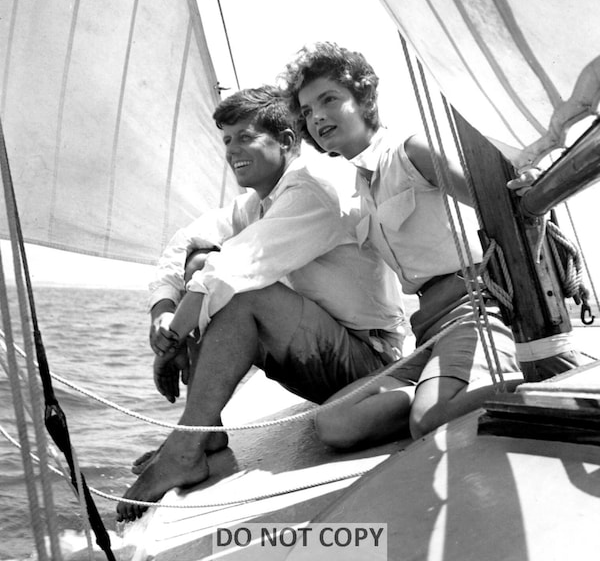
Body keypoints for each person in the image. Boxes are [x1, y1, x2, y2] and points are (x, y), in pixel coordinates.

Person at [116, 85, 406, 521]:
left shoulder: (313, 187)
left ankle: (184, 449)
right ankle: (204, 436)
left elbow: (235, 268)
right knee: (199, 260)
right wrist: (161, 310)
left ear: (286, 141)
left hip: (371, 363)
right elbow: (183, 246)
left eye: (244, 137)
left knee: (241, 290)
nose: (232, 150)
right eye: (227, 140)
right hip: (326, 359)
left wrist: (173, 338)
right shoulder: (257, 203)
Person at [280, 42, 524, 450]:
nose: (317, 116)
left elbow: (501, 197)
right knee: (334, 423)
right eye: (307, 111)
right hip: (428, 327)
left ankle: (527, 379)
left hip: (475, 308)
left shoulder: (411, 151)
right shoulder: (358, 185)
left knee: (428, 423)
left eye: (329, 99)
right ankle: (439, 392)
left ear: (363, 100)